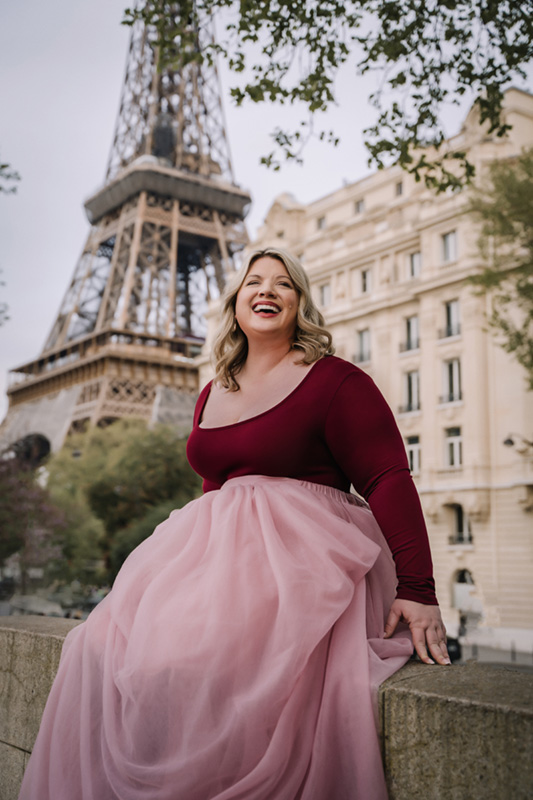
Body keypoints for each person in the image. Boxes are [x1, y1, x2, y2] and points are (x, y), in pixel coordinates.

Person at [19, 247, 449, 800]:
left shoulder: (335, 381)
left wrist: (418, 587)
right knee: (98, 648)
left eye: (283, 284)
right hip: (221, 568)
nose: (267, 290)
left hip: (302, 567)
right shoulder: (211, 390)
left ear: (300, 303)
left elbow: (387, 477)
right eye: (254, 282)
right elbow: (216, 493)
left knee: (242, 688)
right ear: (236, 301)